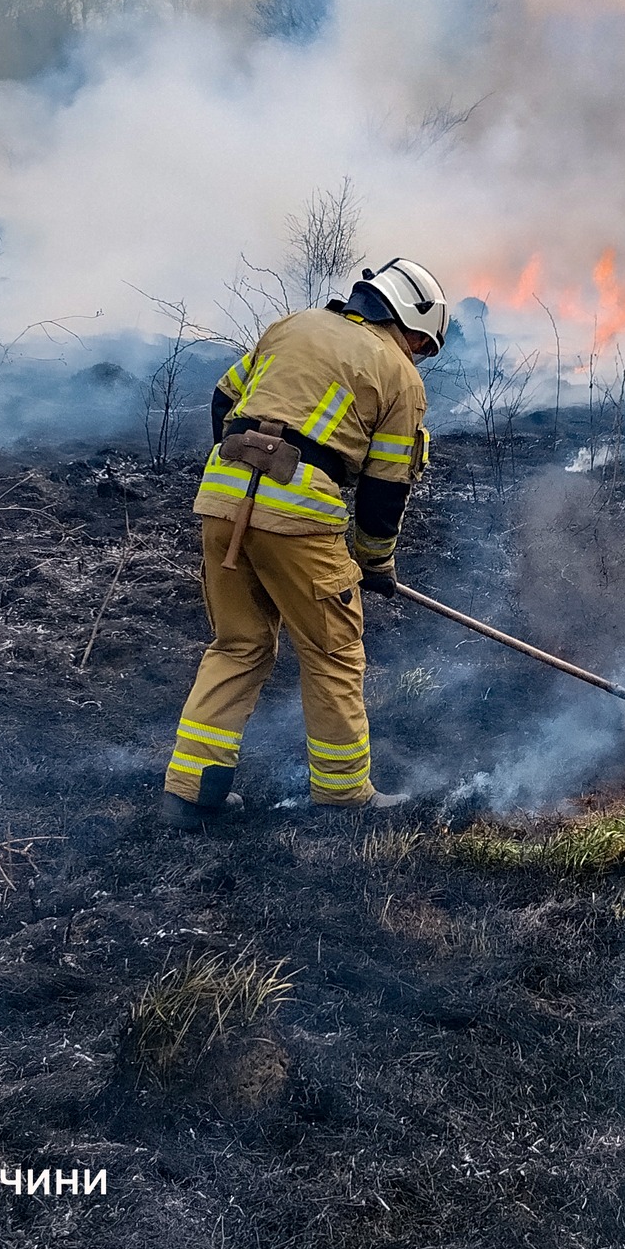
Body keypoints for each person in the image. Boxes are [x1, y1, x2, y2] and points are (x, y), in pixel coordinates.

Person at [160, 258, 445, 828]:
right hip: (298, 516)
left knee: (237, 644)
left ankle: (190, 792)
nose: (416, 354)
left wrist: (245, 467)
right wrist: (374, 562)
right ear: (409, 321)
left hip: (221, 499)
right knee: (332, 653)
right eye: (420, 342)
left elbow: (224, 398)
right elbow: (385, 489)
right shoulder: (398, 372)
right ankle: (343, 795)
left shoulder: (292, 326)